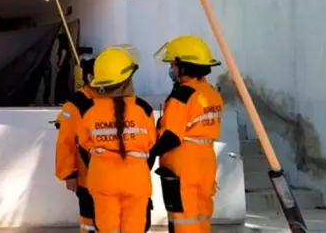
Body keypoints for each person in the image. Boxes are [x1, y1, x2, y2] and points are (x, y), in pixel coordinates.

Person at [76, 45, 157, 233]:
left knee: (107, 229)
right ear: (127, 80)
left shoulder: (89, 110)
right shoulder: (143, 109)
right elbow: (151, 143)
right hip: (136, 176)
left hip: (102, 176)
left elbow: (83, 144)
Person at [149, 35, 224, 233]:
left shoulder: (182, 96)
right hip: (206, 160)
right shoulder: (211, 93)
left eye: (173, 65)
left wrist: (151, 152)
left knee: (183, 216)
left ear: (184, 67)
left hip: (183, 163)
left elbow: (172, 136)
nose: (171, 69)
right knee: (201, 213)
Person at [54, 52, 96, 233]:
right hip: (87, 177)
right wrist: (69, 173)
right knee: (89, 219)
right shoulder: (77, 104)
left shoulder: (112, 100)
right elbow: (66, 141)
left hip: (112, 177)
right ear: (90, 77)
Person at [54, 33, 72, 105]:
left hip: (63, 68)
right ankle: (64, 99)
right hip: (66, 67)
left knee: (61, 83)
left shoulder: (63, 48)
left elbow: (62, 59)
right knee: (64, 83)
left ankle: (61, 100)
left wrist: (59, 65)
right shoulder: (67, 47)